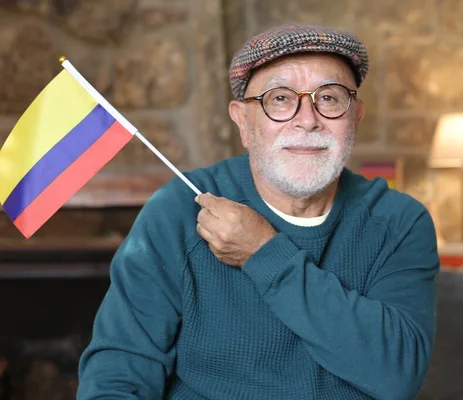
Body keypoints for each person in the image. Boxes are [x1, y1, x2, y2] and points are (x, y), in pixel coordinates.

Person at [77, 23, 440, 400]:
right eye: (280, 99)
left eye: (329, 98)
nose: (307, 118)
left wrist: (264, 252)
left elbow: (397, 375)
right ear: (243, 121)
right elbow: (117, 375)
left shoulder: (400, 221)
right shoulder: (178, 209)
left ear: (356, 116)